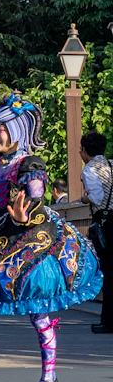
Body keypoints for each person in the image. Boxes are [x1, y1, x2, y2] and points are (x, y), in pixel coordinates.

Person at [0, 94, 102, 382]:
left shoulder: (30, 164)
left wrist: (25, 213)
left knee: (37, 305)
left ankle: (49, 378)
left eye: (1, 128)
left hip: (33, 234)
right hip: (0, 233)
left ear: (17, 130)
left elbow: (35, 192)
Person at [80, 130, 113, 334]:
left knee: (108, 272)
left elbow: (97, 196)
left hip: (105, 222)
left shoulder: (90, 169)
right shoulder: (111, 165)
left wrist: (84, 199)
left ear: (84, 150)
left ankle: (108, 321)